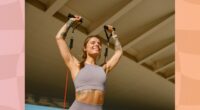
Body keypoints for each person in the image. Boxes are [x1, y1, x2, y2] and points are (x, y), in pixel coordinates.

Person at [56, 15, 123, 110]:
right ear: (85, 48)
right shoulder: (76, 65)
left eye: (99, 44)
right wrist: (71, 21)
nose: (97, 44)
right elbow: (59, 38)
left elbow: (119, 52)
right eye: (92, 42)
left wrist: (114, 35)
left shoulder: (104, 69)